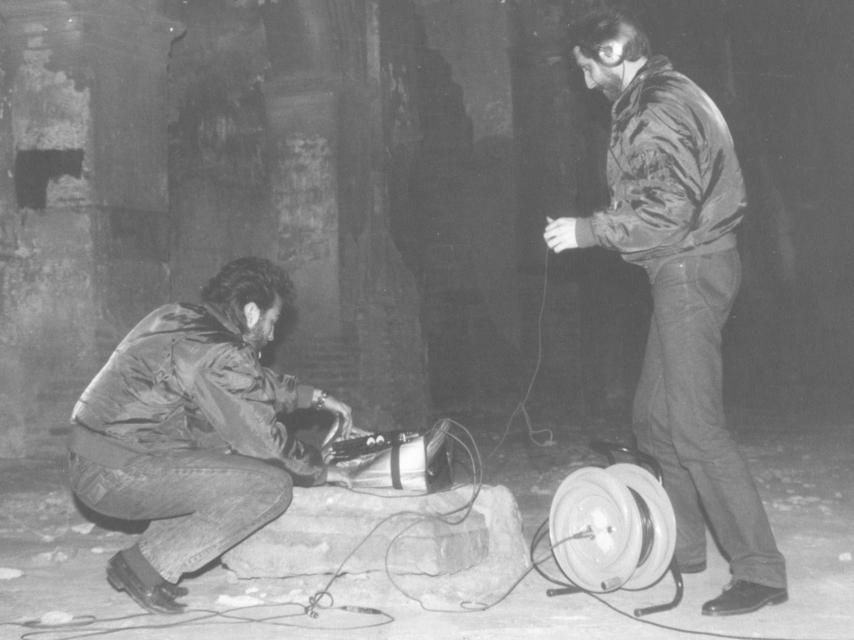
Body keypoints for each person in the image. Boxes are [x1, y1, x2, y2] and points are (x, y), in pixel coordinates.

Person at [544, 7, 787, 616]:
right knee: (654, 421)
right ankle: (684, 549)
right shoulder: (664, 92)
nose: (584, 82)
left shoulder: (654, 109)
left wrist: (589, 230)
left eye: (584, 68)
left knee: (696, 426)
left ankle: (761, 570)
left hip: (689, 269)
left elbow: (666, 213)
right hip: (686, 268)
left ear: (609, 56)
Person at [68, 256, 354, 614]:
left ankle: (146, 561)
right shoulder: (220, 351)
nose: (272, 334)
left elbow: (249, 383)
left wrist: (313, 397)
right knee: (272, 485)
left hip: (95, 462)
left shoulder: (178, 316)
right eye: (272, 321)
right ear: (251, 312)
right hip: (119, 473)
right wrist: (321, 471)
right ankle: (144, 567)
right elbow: (263, 441)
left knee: (222, 458)